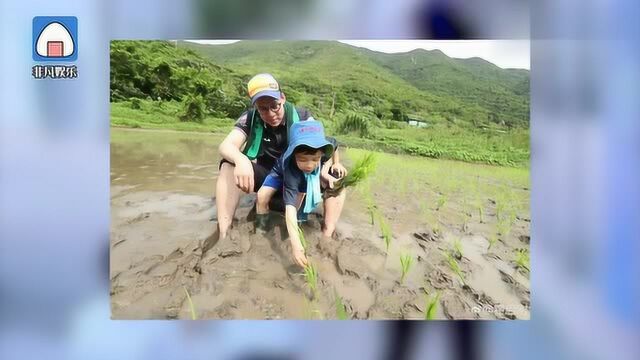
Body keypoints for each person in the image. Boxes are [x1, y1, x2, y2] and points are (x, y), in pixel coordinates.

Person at [214, 73, 314, 241]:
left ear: (282, 98)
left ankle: (327, 233)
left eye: (274, 105)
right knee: (228, 164)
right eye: (263, 108)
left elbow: (319, 147)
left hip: (296, 180)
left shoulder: (303, 117)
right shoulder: (250, 118)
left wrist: (330, 167)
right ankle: (224, 232)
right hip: (267, 179)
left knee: (336, 177)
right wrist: (241, 159)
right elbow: (225, 146)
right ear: (256, 108)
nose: (271, 113)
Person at [256, 120, 347, 267]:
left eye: (315, 159)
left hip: (304, 176)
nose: (309, 165)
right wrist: (296, 246)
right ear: (293, 154)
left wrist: (336, 163)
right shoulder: (291, 169)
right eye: (302, 159)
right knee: (262, 196)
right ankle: (261, 229)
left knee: (301, 202)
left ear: (322, 153)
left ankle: (317, 228)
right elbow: (290, 209)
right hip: (279, 173)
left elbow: (334, 145)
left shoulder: (324, 147)